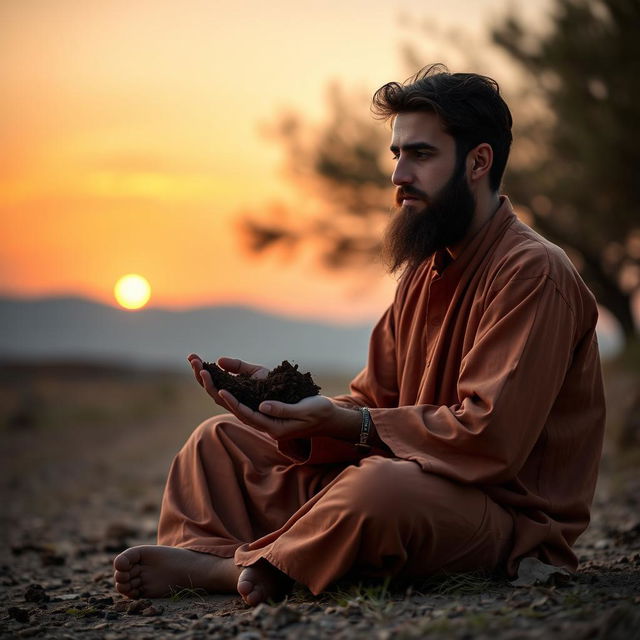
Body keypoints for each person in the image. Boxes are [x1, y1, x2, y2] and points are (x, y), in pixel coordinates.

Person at [113, 64, 605, 606]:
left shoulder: (533, 272)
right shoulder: (424, 270)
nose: (398, 175)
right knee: (217, 444)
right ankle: (250, 560)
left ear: (478, 161)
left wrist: (356, 424)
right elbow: (373, 405)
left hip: (503, 518)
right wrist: (292, 407)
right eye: (396, 155)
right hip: (414, 476)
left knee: (378, 490)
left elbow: (490, 439)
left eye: (420, 154)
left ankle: (234, 570)